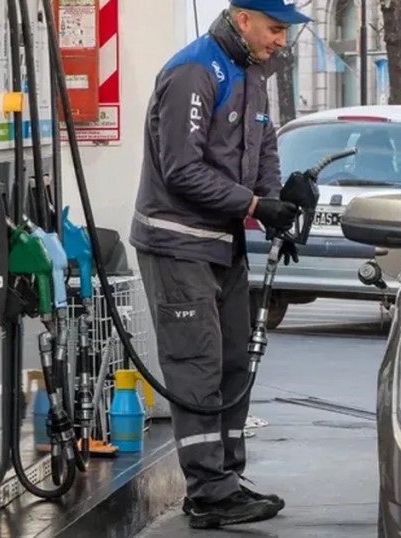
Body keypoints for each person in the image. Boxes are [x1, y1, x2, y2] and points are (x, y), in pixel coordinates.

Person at [128, 0, 309, 530]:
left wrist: (276, 205)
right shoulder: (195, 71)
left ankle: (226, 479)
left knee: (233, 362)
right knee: (198, 366)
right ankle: (208, 492)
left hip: (221, 244)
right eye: (275, 29)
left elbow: (263, 146)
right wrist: (254, 206)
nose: (281, 41)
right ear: (243, 18)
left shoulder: (250, 72)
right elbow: (181, 169)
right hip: (178, 243)